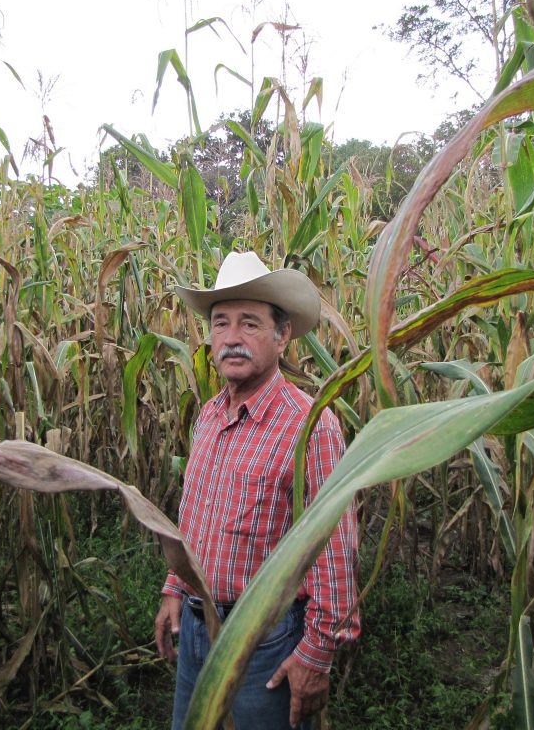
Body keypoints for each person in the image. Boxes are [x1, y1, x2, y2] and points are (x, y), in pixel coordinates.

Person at [155, 251, 359, 729]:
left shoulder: (310, 427)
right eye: (220, 323)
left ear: (282, 334)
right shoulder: (208, 415)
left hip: (265, 643)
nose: (231, 338)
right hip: (195, 627)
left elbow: (333, 550)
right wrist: (174, 587)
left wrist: (317, 653)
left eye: (249, 324)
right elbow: (194, 516)